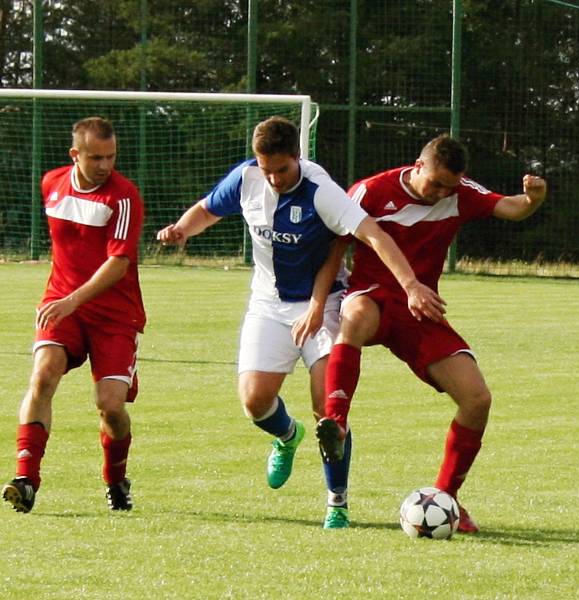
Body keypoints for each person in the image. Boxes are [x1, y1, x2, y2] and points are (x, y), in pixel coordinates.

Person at [156, 116, 442, 529]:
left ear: (297, 157)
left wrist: (411, 285)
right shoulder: (247, 177)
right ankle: (287, 436)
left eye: (281, 169)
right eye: (266, 169)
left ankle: (337, 503)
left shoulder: (321, 191)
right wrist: (182, 229)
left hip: (324, 306)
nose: (272, 178)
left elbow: (375, 235)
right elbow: (207, 209)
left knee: (328, 407)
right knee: (254, 401)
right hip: (268, 304)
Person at [315, 134, 547, 533]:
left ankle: (448, 496)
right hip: (375, 297)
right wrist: (319, 303)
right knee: (353, 316)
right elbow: (336, 248)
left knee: (477, 399)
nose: (441, 192)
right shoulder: (371, 191)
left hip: (422, 311)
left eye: (449, 186)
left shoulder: (460, 193)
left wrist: (534, 199)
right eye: (435, 183)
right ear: (418, 166)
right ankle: (335, 421)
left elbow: (512, 209)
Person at [2, 117, 146, 513]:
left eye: (111, 156)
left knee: (110, 406)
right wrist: (64, 300)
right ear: (74, 155)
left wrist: (72, 300)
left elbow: (118, 263)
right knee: (42, 376)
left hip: (115, 316)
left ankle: (116, 478)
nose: (105, 165)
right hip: (62, 304)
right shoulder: (51, 183)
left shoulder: (124, 197)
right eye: (96, 157)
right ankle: (26, 478)